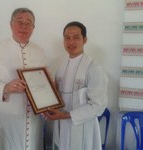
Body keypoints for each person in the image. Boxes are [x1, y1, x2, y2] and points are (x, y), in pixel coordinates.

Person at [0, 7, 46, 150]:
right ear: (11, 24)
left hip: (32, 117)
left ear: (33, 28)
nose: (24, 26)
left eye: (29, 23)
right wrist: (5, 87)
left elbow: (42, 81)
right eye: (19, 21)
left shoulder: (40, 51)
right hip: (4, 117)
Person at [44, 21, 108, 150]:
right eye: (67, 38)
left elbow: (98, 106)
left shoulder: (94, 68)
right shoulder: (61, 68)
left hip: (83, 127)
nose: (71, 42)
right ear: (63, 41)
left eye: (76, 37)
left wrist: (66, 115)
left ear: (84, 40)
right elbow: (56, 98)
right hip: (62, 126)